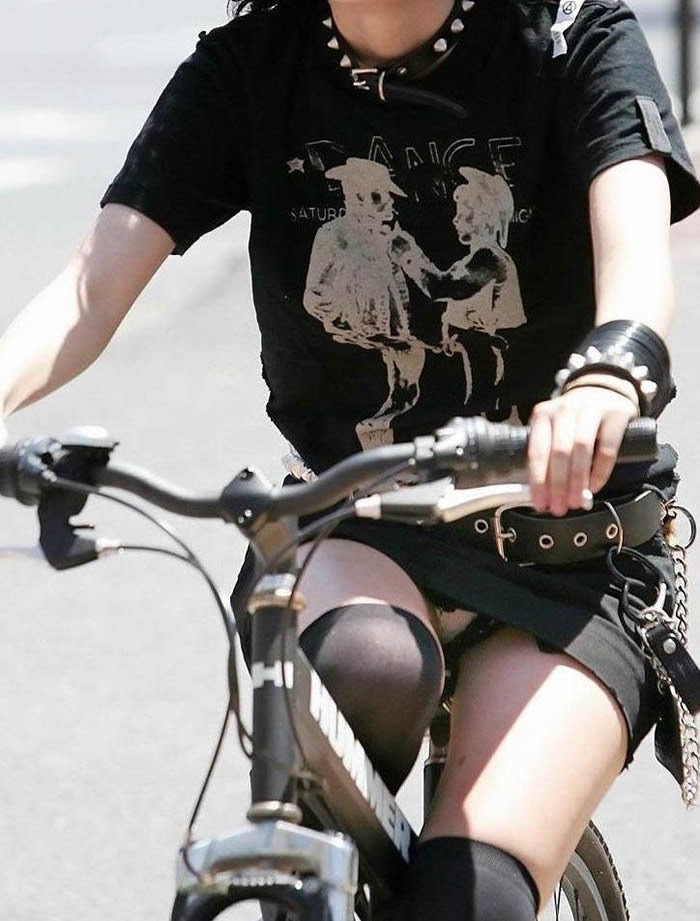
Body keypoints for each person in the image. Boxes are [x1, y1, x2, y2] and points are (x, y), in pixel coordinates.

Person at [1, 1, 699, 918]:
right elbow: (90, 289)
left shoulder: (573, 34)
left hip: (569, 546)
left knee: (469, 897)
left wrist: (606, 376)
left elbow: (638, 266)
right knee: (365, 668)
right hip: (359, 522)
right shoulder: (252, 67)